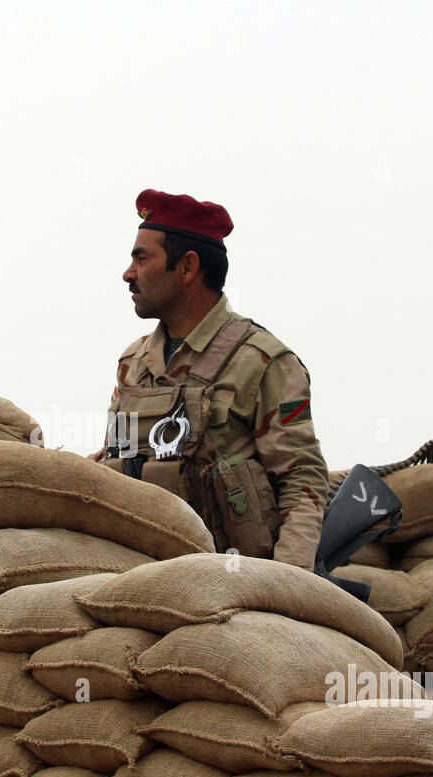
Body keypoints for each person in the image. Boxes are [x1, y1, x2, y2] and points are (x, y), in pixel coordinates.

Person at [89, 188, 330, 571]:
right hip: (142, 571)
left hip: (236, 578)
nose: (128, 273)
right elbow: (116, 457)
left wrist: (288, 582)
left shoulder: (264, 362)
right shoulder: (133, 363)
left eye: (141, 258)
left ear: (186, 268)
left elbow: (302, 480)